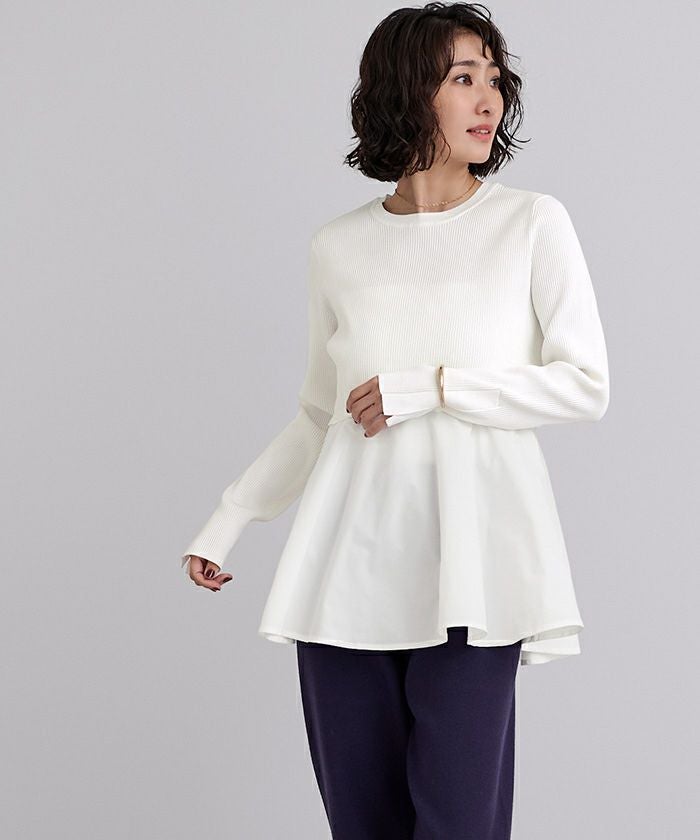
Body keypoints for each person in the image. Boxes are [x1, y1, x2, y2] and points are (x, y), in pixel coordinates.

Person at [180, 3, 610, 838]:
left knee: (459, 825)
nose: (488, 98)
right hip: (343, 575)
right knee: (363, 826)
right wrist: (227, 522)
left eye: (494, 78)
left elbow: (584, 385)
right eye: (462, 78)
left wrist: (434, 387)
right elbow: (319, 414)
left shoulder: (530, 223)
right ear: (408, 93)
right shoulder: (338, 247)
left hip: (474, 573)